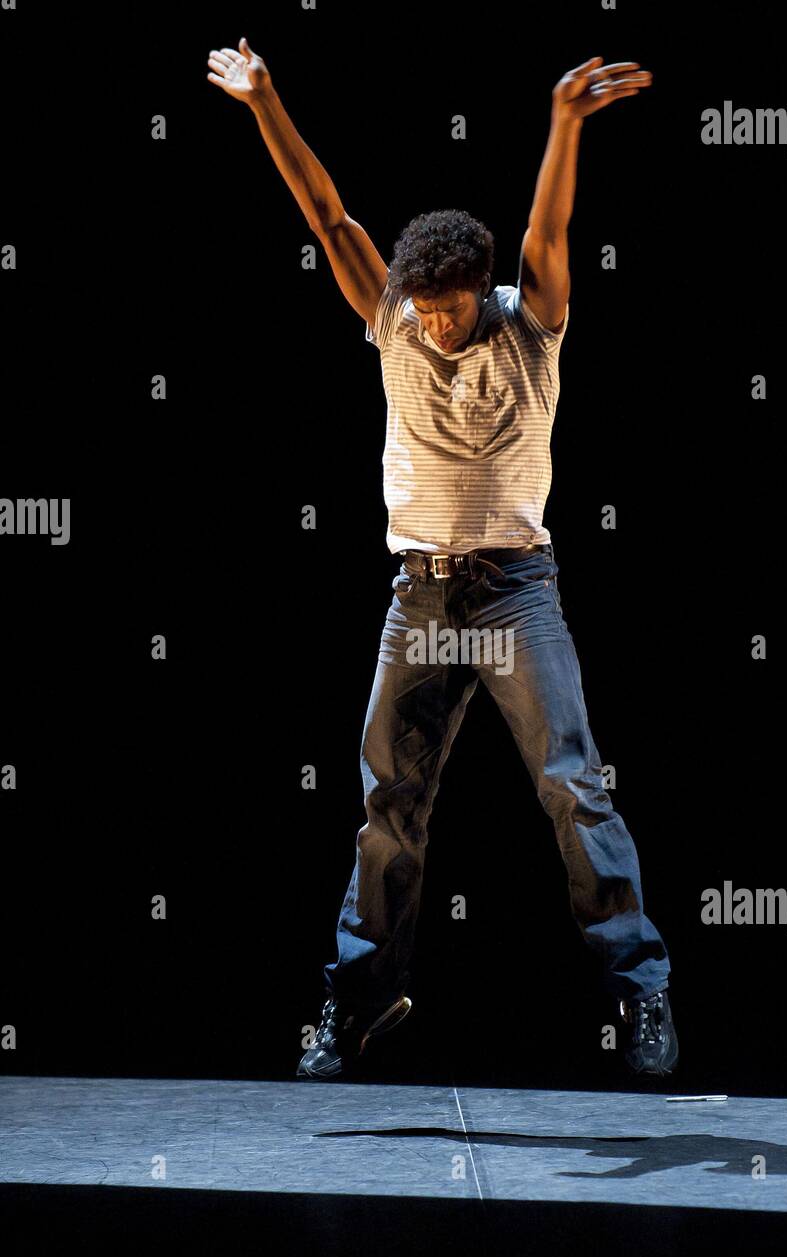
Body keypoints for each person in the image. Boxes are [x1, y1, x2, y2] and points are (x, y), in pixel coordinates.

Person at [207, 38, 678, 1080]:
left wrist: (562, 125)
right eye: (419, 308)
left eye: (447, 308)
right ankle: (358, 1002)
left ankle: (639, 993)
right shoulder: (392, 320)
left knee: (572, 784)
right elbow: (328, 215)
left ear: (479, 289)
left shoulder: (530, 324)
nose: (431, 323)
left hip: (515, 590)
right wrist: (264, 100)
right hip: (418, 593)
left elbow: (548, 227)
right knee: (387, 806)